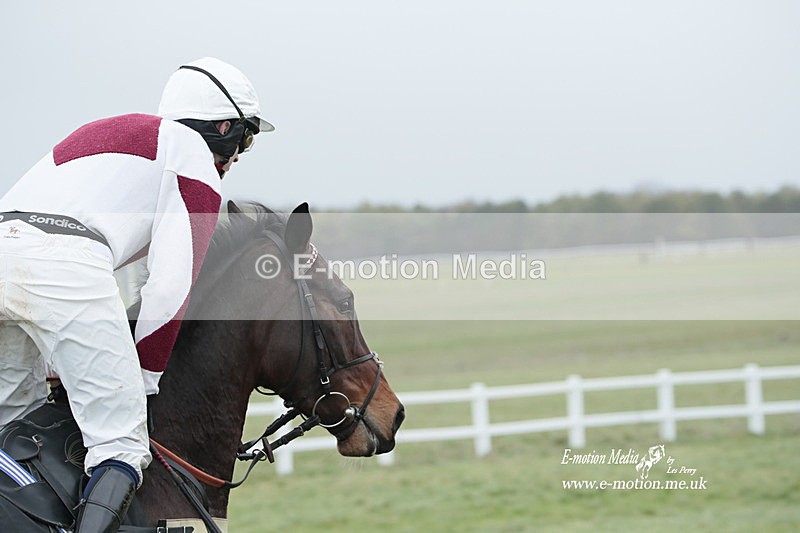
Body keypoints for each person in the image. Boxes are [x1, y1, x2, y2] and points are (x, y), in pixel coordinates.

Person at [0, 57, 273, 532]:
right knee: (121, 445)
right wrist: (142, 379)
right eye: (244, 139)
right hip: (64, 266)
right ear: (225, 127)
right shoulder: (193, 157)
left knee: (14, 423)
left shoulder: (105, 133)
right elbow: (169, 288)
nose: (236, 157)